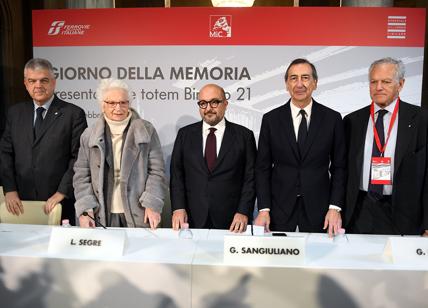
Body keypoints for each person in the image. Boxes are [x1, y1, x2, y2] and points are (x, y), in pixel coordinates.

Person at [254, 58, 346, 237]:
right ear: (286, 84)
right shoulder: (271, 120)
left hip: (320, 209)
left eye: (305, 78)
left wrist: (335, 207)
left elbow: (340, 167)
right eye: (293, 78)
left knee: (317, 261)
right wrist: (264, 209)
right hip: (278, 208)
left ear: (315, 83)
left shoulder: (332, 119)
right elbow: (262, 168)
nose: (299, 84)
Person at [344, 57, 428, 236]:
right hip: (359, 212)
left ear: (401, 84)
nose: (378, 87)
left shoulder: (421, 120)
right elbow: (341, 171)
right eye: (374, 82)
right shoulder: (352, 121)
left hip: (405, 215)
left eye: (386, 82)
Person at [0, 58, 87, 225]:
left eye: (44, 80)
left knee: (58, 250)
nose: (38, 85)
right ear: (26, 83)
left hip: (58, 202)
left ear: (53, 83)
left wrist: (62, 192)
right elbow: (5, 153)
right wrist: (10, 189)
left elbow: (79, 158)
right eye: (32, 81)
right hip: (20, 202)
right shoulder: (15, 113)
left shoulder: (73, 114)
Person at [73, 78, 166, 229]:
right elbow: (81, 175)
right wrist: (86, 209)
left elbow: (156, 171)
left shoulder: (146, 130)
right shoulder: (89, 135)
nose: (118, 108)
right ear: (102, 105)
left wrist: (152, 203)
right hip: (100, 212)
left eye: (123, 102)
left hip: (140, 211)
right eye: (112, 103)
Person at [170, 83, 257, 232]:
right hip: (191, 217)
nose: (208, 108)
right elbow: (177, 175)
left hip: (233, 220)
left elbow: (251, 178)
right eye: (203, 103)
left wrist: (243, 211)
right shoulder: (185, 135)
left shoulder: (244, 136)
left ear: (225, 104)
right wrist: (178, 208)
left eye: (214, 102)